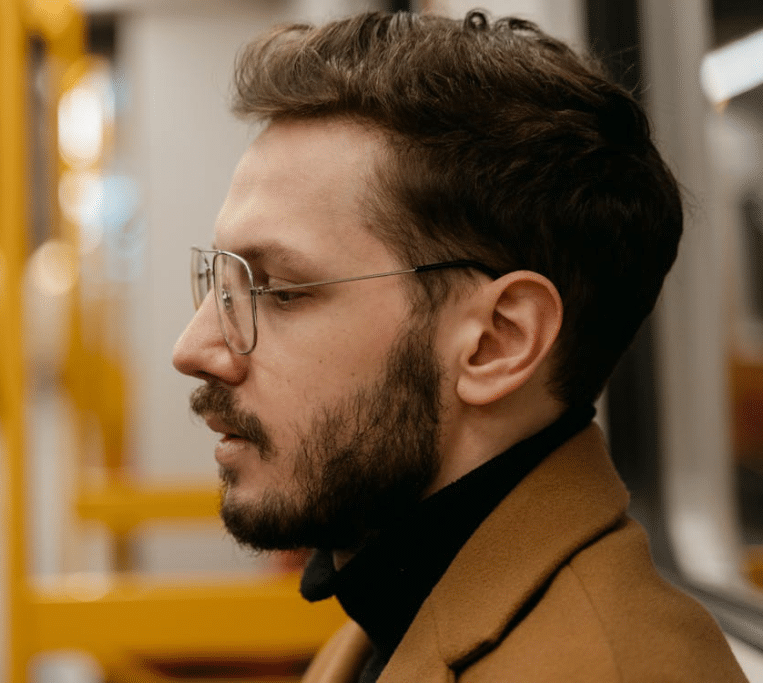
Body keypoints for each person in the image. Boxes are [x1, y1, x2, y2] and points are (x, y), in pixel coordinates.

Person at [171, 8, 751, 683]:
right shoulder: (392, 606)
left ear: (498, 341)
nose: (195, 346)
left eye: (281, 289)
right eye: (223, 280)